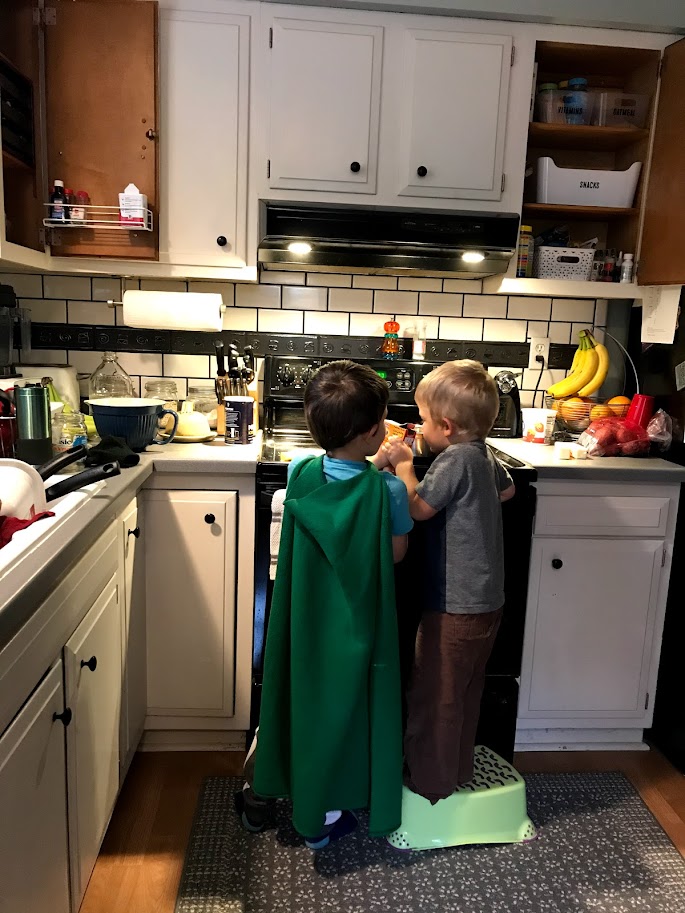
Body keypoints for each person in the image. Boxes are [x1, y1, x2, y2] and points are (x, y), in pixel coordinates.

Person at [238, 360, 412, 849]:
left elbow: (338, 491)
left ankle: (262, 795)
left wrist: (371, 463)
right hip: (357, 626)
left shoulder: (300, 471)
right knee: (344, 712)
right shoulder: (389, 491)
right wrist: (397, 467)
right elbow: (395, 552)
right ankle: (321, 820)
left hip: (302, 621)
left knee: (297, 703)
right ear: (376, 431)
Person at [383, 359, 516, 804]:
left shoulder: (454, 459)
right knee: (464, 693)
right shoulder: (481, 452)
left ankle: (429, 789)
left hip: (453, 607)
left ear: (446, 426)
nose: (420, 429)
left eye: (423, 421)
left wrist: (403, 464)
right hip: (487, 604)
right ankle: (456, 772)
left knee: (433, 697)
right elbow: (508, 490)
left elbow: (419, 508)